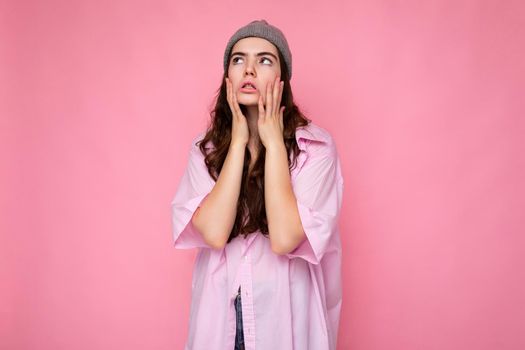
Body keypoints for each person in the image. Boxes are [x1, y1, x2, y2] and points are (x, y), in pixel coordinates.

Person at [171, 19, 344, 350]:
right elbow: (214, 232)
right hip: (221, 317)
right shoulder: (204, 151)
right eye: (238, 60)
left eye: (264, 59)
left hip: (284, 319)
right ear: (228, 79)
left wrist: (275, 144)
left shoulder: (316, 149)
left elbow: (284, 238)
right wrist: (237, 144)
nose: (249, 69)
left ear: (282, 79)